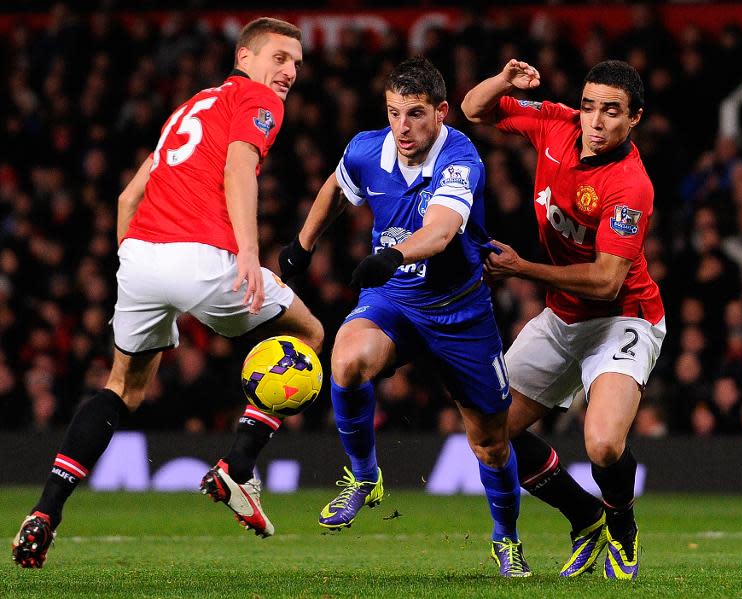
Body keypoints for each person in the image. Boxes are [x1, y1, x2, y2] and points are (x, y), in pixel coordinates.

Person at [12, 17, 323, 569]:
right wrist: (249, 254)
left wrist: (133, 264)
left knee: (122, 387)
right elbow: (239, 170)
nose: (290, 72)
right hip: (205, 257)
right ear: (245, 57)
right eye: (279, 57)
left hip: (141, 257)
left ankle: (45, 512)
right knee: (310, 332)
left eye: (296, 62)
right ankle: (238, 469)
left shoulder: (191, 107)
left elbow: (128, 198)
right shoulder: (257, 101)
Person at [279, 57, 530, 577]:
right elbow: (334, 187)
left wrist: (392, 255)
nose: (403, 127)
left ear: (440, 112)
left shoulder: (461, 158)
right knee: (345, 362)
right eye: (394, 113)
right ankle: (364, 476)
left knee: (490, 442)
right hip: (395, 302)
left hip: (459, 312)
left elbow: (440, 232)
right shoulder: (368, 149)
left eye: (415, 114)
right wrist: (302, 246)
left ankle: (506, 540)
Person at [462, 59, 665, 580]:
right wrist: (504, 82)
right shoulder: (557, 123)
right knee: (490, 434)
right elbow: (472, 108)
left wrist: (522, 269)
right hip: (562, 318)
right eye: (590, 105)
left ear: (634, 118)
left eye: (612, 112)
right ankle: (585, 515)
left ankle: (622, 526)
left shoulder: (629, 185)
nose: (596, 121)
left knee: (601, 443)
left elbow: (605, 281)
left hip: (624, 318)